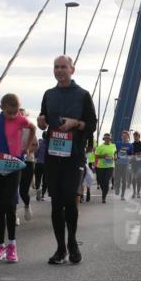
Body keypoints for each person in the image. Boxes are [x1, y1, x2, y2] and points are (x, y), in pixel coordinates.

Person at [38, 55, 97, 264]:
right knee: (55, 204)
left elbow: (92, 124)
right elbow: (43, 119)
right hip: (53, 155)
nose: (59, 70)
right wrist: (40, 122)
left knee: (70, 201)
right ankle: (60, 248)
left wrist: (75, 123)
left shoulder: (83, 95)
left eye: (63, 67)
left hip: (74, 156)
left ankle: (72, 242)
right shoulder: (49, 94)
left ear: (73, 70)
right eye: (56, 67)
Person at [0, 93, 35, 263]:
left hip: (14, 165)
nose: (13, 116)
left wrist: (26, 148)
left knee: (10, 205)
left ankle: (12, 245)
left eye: (15, 113)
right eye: (10, 113)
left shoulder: (21, 120)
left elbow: (33, 128)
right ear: (2, 108)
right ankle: (0, 245)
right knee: (0, 206)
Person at [18, 108, 37, 221]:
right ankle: (13, 215)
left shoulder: (30, 128)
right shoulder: (11, 128)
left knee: (23, 190)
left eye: (22, 114)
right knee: (12, 190)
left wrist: (27, 150)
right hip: (12, 161)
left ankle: (26, 205)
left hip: (27, 161)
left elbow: (35, 145)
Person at [94, 132, 117, 203]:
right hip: (101, 166)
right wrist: (103, 156)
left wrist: (115, 157)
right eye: (106, 138)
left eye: (108, 138)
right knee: (101, 181)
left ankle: (103, 197)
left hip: (110, 166)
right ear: (104, 139)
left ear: (110, 139)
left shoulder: (113, 145)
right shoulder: (100, 147)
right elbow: (96, 156)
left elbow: (115, 152)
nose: (107, 139)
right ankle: (104, 191)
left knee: (106, 181)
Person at [114, 129, 133, 200]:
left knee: (124, 180)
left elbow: (131, 154)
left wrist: (130, 159)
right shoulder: (117, 143)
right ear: (121, 136)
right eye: (123, 136)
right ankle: (117, 189)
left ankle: (122, 195)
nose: (124, 137)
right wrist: (115, 155)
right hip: (118, 164)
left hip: (125, 164)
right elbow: (114, 151)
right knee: (117, 179)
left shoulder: (130, 145)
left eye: (126, 136)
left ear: (128, 137)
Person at [34, 136, 48, 200]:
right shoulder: (50, 144)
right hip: (46, 165)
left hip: (38, 164)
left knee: (38, 179)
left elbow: (36, 154)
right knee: (45, 180)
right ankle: (42, 194)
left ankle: (37, 190)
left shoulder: (40, 143)